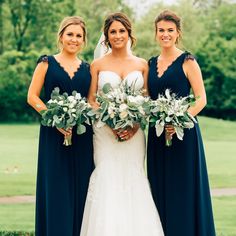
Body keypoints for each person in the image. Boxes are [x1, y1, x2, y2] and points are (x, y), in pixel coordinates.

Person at [80, 12, 164, 236]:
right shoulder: (97, 64)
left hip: (134, 134)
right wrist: (110, 122)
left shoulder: (142, 64)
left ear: (129, 33)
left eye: (121, 31)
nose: (117, 35)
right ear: (106, 36)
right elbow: (91, 99)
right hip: (104, 133)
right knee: (107, 176)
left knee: (133, 177)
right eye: (113, 31)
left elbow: (146, 99)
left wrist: (134, 125)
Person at [147, 10, 216, 236]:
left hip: (183, 135)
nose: (165, 34)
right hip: (157, 136)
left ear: (178, 33)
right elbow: (147, 100)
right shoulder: (150, 63)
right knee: (159, 188)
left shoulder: (187, 61)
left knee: (182, 189)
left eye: (170, 30)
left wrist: (178, 119)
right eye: (161, 30)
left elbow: (201, 99)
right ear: (155, 33)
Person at [27, 16, 94, 236]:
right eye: (70, 34)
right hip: (53, 136)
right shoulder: (46, 62)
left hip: (82, 137)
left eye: (78, 36)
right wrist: (55, 120)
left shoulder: (88, 69)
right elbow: (32, 97)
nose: (74, 40)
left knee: (81, 190)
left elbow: (92, 101)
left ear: (84, 41)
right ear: (61, 36)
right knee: (56, 190)